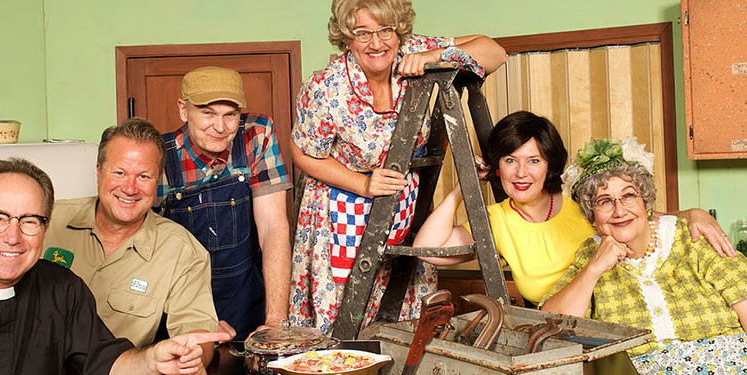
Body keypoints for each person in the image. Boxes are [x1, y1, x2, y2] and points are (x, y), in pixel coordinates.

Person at [0, 158, 228, 375]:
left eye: (30, 221)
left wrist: (152, 361)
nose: (13, 237)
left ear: (45, 229)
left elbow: (106, 362)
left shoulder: (64, 289)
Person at [288, 0, 507, 332]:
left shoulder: (413, 50)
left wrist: (433, 57)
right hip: (339, 216)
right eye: (363, 33)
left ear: (399, 30)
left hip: (404, 210)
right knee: (341, 328)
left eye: (385, 30)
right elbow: (303, 153)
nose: (376, 43)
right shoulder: (325, 88)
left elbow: (495, 52)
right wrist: (361, 184)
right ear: (347, 36)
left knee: (405, 324)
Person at [414, 111, 736, 306]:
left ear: (549, 164)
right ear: (497, 167)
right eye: (510, 160)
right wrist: (464, 186)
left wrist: (693, 213)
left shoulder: (579, 202)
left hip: (620, 316)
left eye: (533, 161)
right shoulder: (496, 220)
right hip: (559, 329)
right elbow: (428, 249)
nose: (521, 173)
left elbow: (640, 217)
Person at [540, 137, 747, 374]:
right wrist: (594, 270)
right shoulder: (590, 255)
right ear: (591, 214)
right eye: (605, 201)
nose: (619, 211)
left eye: (628, 196)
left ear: (645, 201)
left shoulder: (692, 237)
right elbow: (552, 330)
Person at [43, 119, 220, 357]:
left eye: (144, 176)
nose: (129, 188)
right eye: (119, 172)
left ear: (158, 180)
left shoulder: (182, 251)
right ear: (98, 172)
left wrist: (190, 357)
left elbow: (195, 333)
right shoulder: (46, 220)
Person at [154, 66, 292, 340]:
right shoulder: (160, 155)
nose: (220, 127)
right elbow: (148, 251)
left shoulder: (256, 135)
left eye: (230, 115)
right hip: (181, 298)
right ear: (184, 110)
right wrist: (196, 317)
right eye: (208, 113)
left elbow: (273, 227)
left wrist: (276, 320)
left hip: (246, 294)